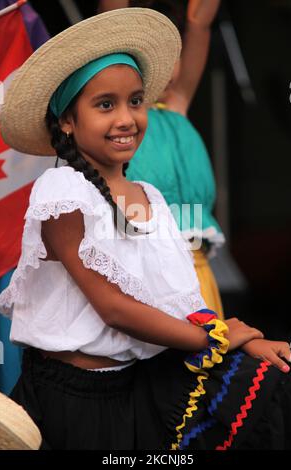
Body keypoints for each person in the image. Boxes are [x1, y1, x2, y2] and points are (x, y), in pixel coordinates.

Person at [0, 8, 291, 451]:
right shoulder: (63, 191)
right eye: (105, 105)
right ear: (66, 121)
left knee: (267, 388)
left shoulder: (150, 198)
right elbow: (113, 308)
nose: (126, 118)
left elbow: (176, 300)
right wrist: (213, 339)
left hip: (135, 386)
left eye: (135, 101)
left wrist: (236, 338)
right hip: (75, 400)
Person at [98, 0, 225, 319]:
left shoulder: (177, 106)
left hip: (199, 272)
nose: (164, 64)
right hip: (151, 278)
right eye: (148, 56)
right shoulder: (121, 127)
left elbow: (199, 22)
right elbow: (112, 19)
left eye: (172, 53)